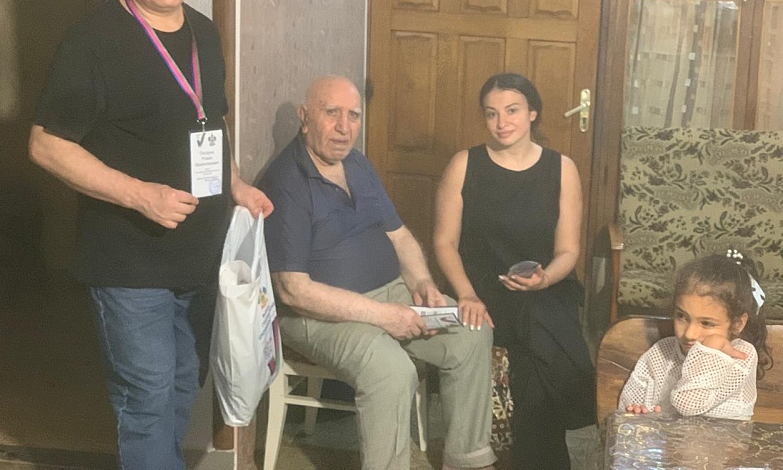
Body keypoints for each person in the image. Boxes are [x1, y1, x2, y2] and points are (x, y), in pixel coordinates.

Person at [28, 0, 273, 470]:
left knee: (185, 383)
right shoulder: (92, 42)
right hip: (129, 261)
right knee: (147, 396)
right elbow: (46, 144)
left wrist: (235, 183)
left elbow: (210, 122)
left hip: (200, 256)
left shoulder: (204, 33)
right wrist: (140, 195)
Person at [258, 75, 497, 470]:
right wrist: (384, 316)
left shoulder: (357, 163)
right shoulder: (287, 182)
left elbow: (399, 235)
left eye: (353, 115)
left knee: (472, 330)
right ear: (305, 117)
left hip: (391, 294)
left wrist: (423, 283)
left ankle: (467, 460)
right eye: (331, 113)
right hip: (318, 316)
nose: (344, 127)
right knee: (391, 371)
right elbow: (293, 291)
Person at [433, 72, 596, 470]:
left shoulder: (562, 168)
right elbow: (443, 242)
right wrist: (466, 293)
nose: (501, 122)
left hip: (545, 284)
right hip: (481, 288)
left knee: (539, 328)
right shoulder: (464, 164)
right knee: (536, 337)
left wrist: (545, 278)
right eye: (491, 114)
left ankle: (532, 458)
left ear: (532, 113)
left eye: (512, 111)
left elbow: (568, 250)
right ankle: (546, 459)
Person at [619, 250, 772, 420]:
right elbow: (627, 408)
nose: (689, 334)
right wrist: (637, 413)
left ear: (738, 323)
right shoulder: (662, 351)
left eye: (706, 323)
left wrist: (709, 350)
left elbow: (688, 404)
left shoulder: (742, 356)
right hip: (666, 437)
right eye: (682, 316)